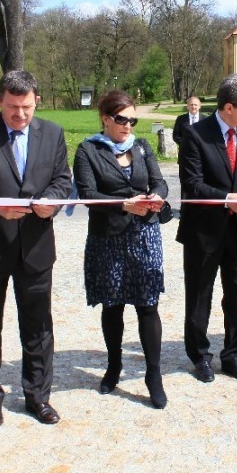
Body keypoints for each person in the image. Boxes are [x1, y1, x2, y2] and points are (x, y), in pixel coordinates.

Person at [0, 70, 72, 427]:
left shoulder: (52, 133)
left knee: (38, 327)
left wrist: (51, 202)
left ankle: (38, 397)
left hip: (36, 246)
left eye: (26, 107)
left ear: (36, 101)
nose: (19, 115)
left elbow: (61, 179)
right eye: (12, 107)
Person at [177, 72, 237, 383]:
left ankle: (233, 355)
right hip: (203, 233)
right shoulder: (196, 135)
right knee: (199, 299)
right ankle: (200, 357)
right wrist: (226, 199)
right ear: (229, 107)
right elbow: (191, 186)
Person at [73, 91, 169, 409]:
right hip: (108, 237)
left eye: (132, 119)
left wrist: (155, 195)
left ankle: (153, 375)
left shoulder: (141, 147)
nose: (128, 125)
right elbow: (87, 193)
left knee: (147, 305)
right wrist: (123, 204)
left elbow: (160, 181)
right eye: (121, 119)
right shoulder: (88, 150)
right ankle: (113, 365)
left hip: (145, 234)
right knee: (112, 306)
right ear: (105, 118)